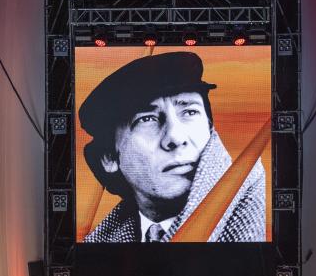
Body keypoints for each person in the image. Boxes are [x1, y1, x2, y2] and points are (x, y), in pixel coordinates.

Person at [79, 51, 266, 243]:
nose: (176, 137)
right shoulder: (101, 242)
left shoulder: (258, 207)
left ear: (210, 128)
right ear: (108, 157)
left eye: (190, 112)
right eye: (147, 119)